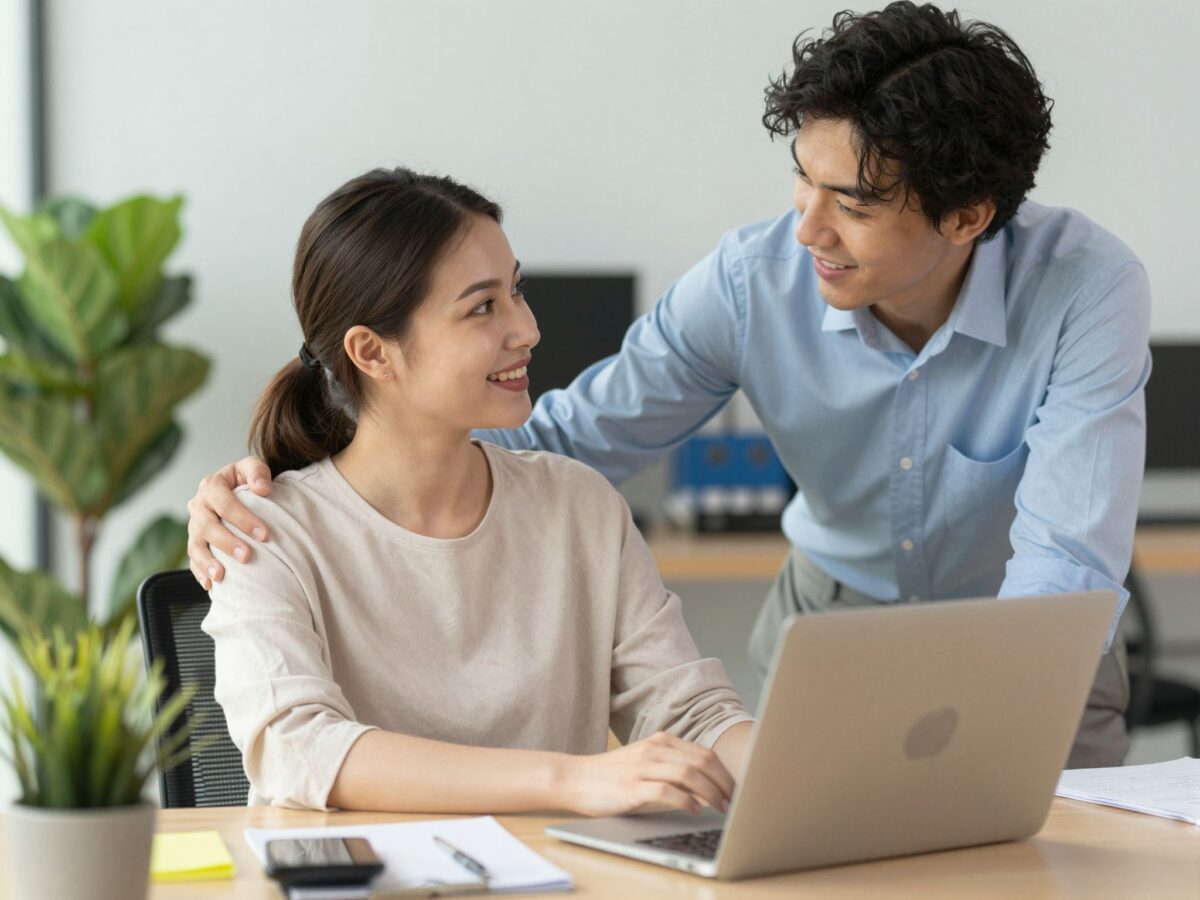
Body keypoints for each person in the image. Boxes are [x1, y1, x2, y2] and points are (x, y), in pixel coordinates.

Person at [189, 3, 1149, 769]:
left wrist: (991, 742)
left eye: (852, 203)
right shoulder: (752, 281)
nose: (807, 228)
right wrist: (281, 484)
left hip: (1031, 644)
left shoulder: (1083, 288)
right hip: (835, 623)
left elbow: (1064, 561)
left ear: (968, 216)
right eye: (802, 180)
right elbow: (554, 443)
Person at [201, 168, 753, 814]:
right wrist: (573, 781)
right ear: (372, 353)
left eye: (516, 292)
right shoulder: (264, 532)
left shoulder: (578, 505)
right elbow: (301, 748)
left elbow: (687, 713)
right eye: (483, 306)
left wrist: (801, 770)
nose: (527, 329)